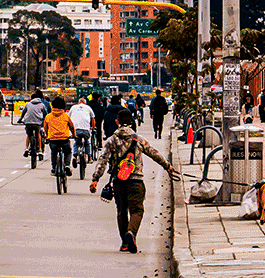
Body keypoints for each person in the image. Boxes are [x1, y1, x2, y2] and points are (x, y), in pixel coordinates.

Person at [90, 109, 175, 253]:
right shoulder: (138, 139)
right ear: (131, 122)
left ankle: (124, 242)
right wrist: (167, 166)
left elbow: (102, 160)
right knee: (137, 210)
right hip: (136, 181)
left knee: (121, 211)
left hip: (118, 182)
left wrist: (95, 179)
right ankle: (132, 232)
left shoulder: (111, 140)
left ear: (117, 122)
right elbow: (153, 153)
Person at [43, 96, 75, 177]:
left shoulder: (48, 116)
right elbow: (71, 126)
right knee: (68, 151)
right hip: (64, 139)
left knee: (54, 152)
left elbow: (45, 127)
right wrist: (74, 134)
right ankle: (67, 165)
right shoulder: (65, 116)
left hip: (53, 139)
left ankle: (54, 168)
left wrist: (47, 135)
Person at [18, 90, 46, 160]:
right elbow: (45, 114)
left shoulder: (28, 104)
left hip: (28, 122)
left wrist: (20, 120)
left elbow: (23, 113)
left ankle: (27, 148)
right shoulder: (42, 104)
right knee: (38, 134)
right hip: (37, 122)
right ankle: (39, 150)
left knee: (29, 135)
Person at [69, 97, 96, 167]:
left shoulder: (73, 107)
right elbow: (93, 118)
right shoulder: (88, 107)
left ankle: (75, 156)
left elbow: (68, 118)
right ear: (85, 103)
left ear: (78, 102)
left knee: (76, 143)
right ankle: (89, 157)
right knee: (87, 143)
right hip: (85, 129)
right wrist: (93, 127)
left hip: (76, 129)